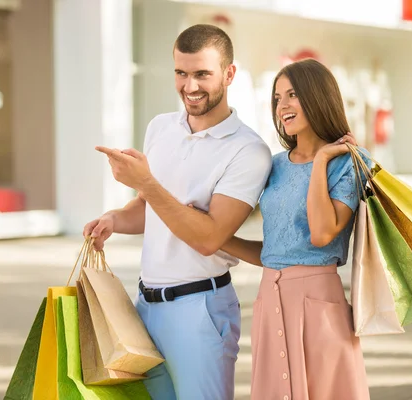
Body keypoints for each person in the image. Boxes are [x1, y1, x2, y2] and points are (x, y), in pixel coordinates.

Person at [84, 24, 272, 400]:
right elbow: (147, 207)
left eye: (202, 73)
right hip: (145, 306)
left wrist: (147, 182)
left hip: (199, 310)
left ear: (229, 74)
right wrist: (114, 220)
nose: (190, 86)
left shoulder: (248, 151)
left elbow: (209, 238)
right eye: (181, 73)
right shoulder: (160, 128)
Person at [218, 58, 371, 400]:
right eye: (277, 98)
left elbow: (321, 234)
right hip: (269, 297)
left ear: (317, 97)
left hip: (320, 301)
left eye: (292, 95)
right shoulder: (272, 166)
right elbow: (275, 251)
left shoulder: (351, 161)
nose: (282, 105)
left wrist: (320, 162)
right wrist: (218, 239)